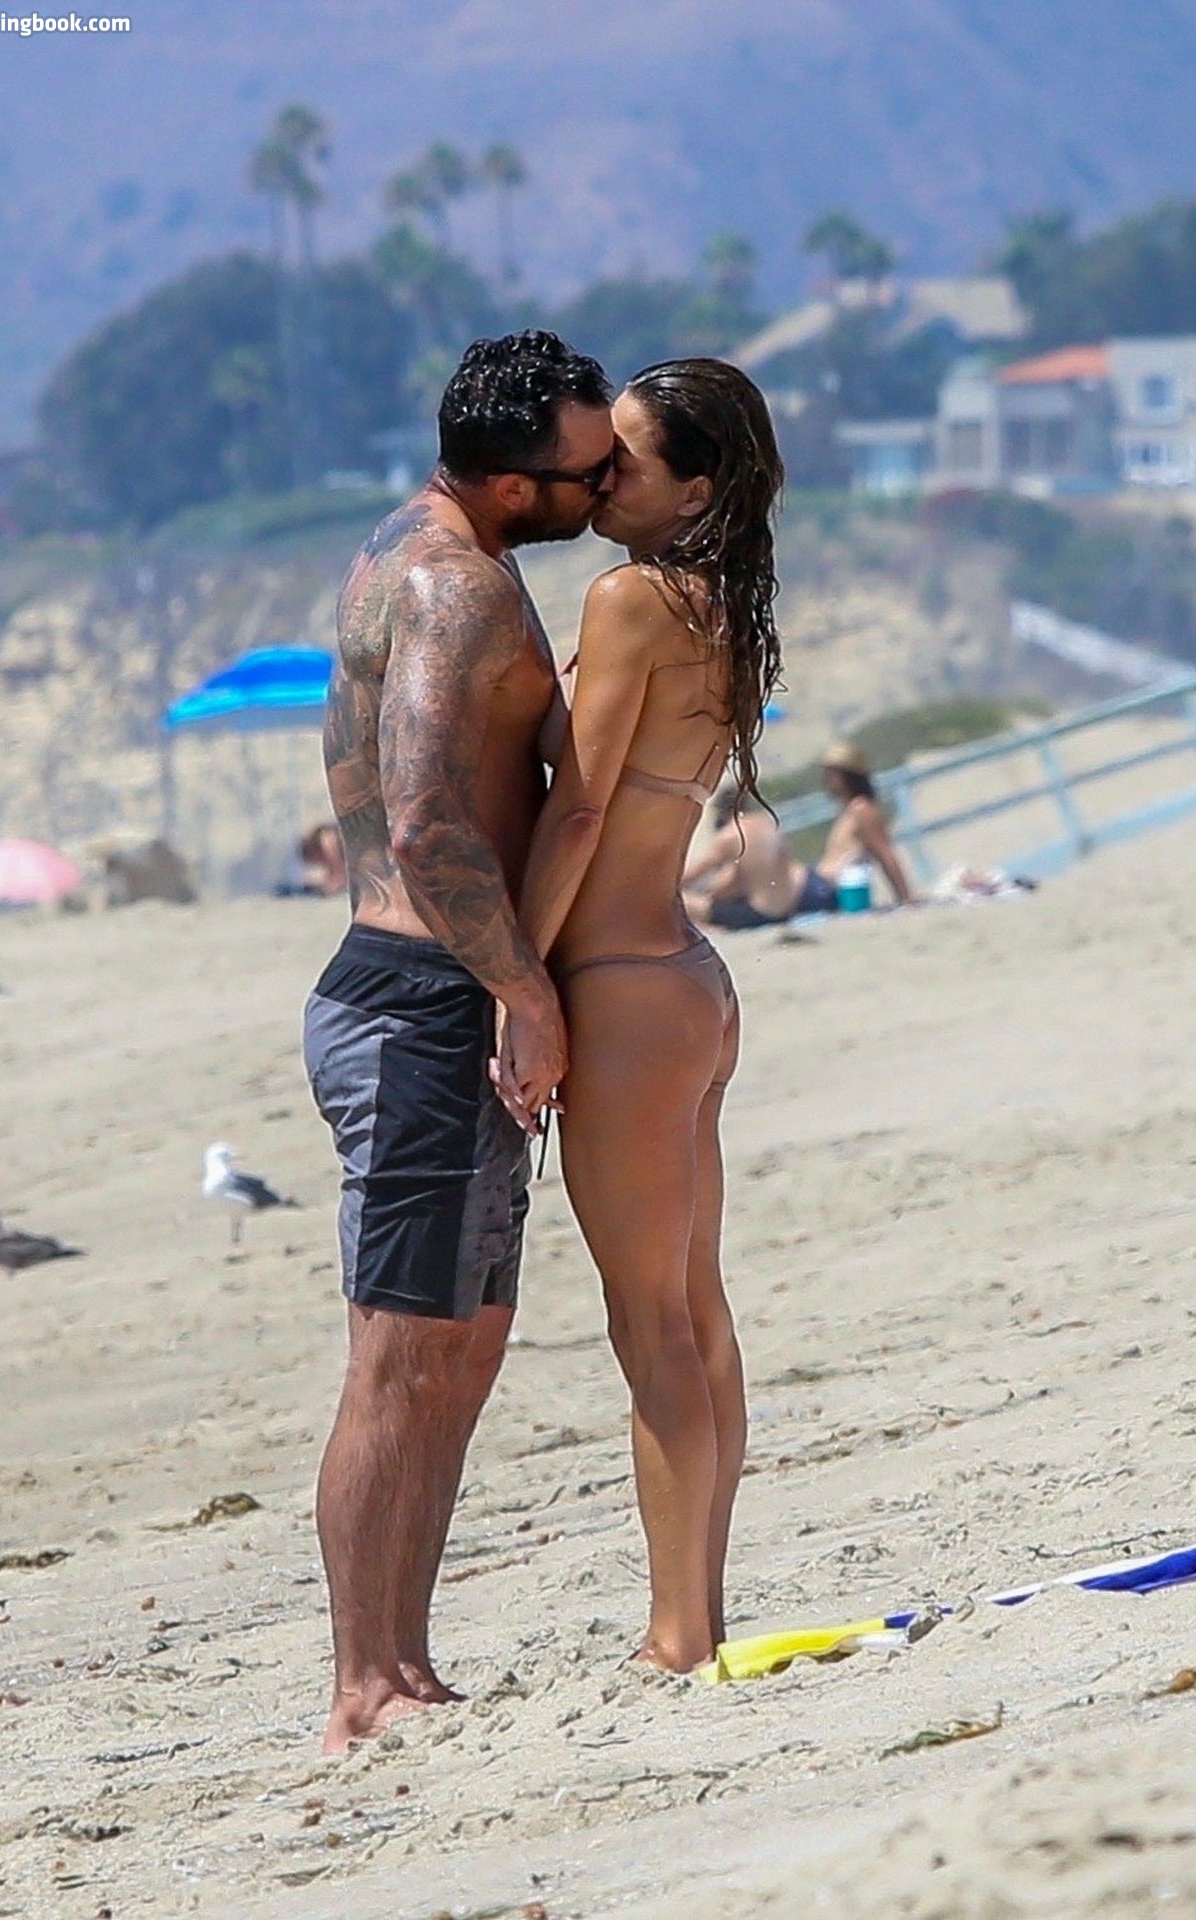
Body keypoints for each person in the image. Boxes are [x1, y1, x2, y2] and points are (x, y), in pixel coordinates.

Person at [302, 331, 615, 1745]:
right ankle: (361, 1683)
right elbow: (426, 814)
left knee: (461, 1350)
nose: (601, 490)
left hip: (434, 995)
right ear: (509, 483)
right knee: (400, 1359)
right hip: (424, 1004)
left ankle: (407, 1663)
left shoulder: (424, 548)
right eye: (584, 474)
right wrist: (523, 990)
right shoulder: (453, 583)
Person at [503, 358, 785, 1672]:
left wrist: (513, 978)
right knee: (694, 1314)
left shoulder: (628, 600)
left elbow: (575, 810)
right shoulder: (719, 607)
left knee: (651, 1324)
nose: (596, 476)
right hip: (686, 982)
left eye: (624, 460)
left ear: (695, 489)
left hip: (618, 989)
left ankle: (676, 1635)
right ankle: (697, 1619)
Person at [686, 742, 916, 928]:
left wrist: (906, 898)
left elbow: (885, 854)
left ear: (847, 776)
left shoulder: (861, 810)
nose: (826, 780)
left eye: (831, 774)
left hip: (825, 888)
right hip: (821, 886)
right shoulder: (849, 809)